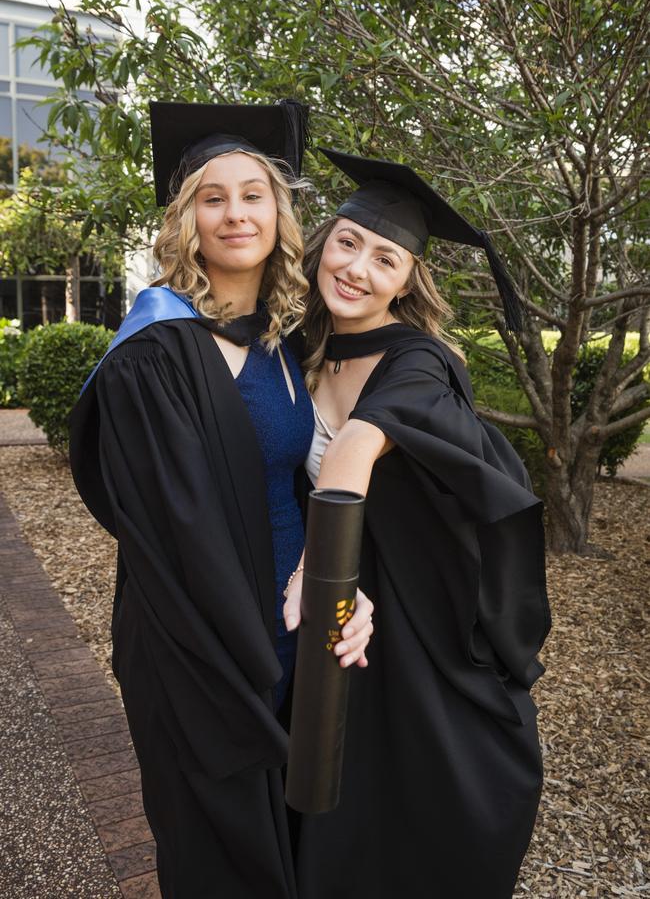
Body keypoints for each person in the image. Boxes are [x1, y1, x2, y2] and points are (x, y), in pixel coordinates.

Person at [69, 108, 374, 899]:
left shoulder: (284, 339)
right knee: (223, 863)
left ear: (280, 216)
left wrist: (333, 573)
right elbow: (172, 535)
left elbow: (310, 478)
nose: (236, 214)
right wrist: (243, 664)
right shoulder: (158, 350)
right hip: (198, 651)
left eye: (254, 196)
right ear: (186, 220)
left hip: (286, 638)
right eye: (213, 198)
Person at [284, 149, 551, 899]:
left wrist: (314, 571)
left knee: (429, 780)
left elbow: (355, 453)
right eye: (347, 243)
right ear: (323, 243)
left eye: (385, 258)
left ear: (408, 281)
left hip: (418, 606)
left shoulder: (417, 362)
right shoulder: (308, 350)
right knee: (341, 774)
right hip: (353, 591)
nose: (357, 269)